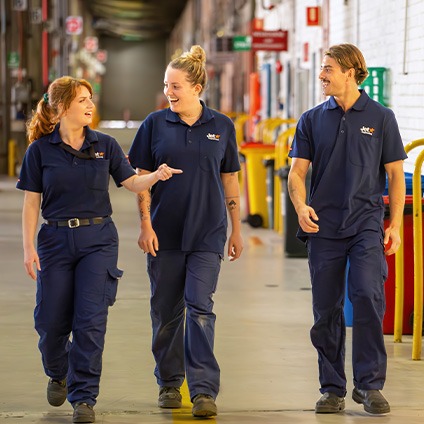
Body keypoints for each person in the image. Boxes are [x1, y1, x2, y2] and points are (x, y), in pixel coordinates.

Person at [17, 76, 181, 424]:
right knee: (50, 322)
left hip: (98, 241)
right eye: (81, 100)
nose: (90, 105)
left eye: (90, 99)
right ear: (61, 108)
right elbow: (32, 204)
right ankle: (57, 371)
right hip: (55, 241)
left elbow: (130, 181)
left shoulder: (104, 144)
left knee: (90, 321)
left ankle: (84, 397)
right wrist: (29, 247)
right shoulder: (39, 151)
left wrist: (154, 176)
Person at [288, 44, 406, 415]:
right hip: (323, 228)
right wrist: (299, 204)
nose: (321, 75)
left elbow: (395, 176)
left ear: (351, 72)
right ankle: (332, 388)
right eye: (322, 68)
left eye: (328, 69)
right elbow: (296, 172)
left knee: (369, 298)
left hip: (366, 226)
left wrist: (396, 225)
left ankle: (369, 385)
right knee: (326, 310)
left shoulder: (381, 117)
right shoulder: (310, 119)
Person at [128, 45, 243, 417]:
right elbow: (139, 180)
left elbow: (230, 178)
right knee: (165, 314)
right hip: (164, 233)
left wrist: (236, 229)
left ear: (197, 87)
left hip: (208, 233)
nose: (169, 93)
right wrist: (145, 223)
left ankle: (204, 389)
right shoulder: (154, 125)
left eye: (176, 86)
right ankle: (168, 382)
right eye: (166, 86)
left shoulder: (222, 127)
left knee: (200, 309)